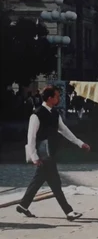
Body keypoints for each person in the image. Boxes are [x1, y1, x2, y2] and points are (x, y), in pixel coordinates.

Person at [17, 85, 90, 221]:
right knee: (55, 183)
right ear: (50, 98)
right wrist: (34, 156)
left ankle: (23, 205)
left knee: (39, 180)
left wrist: (80, 143)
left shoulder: (55, 113)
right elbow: (31, 136)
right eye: (57, 96)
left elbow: (64, 130)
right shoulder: (37, 114)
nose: (59, 98)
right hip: (44, 153)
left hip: (51, 151)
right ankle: (69, 212)